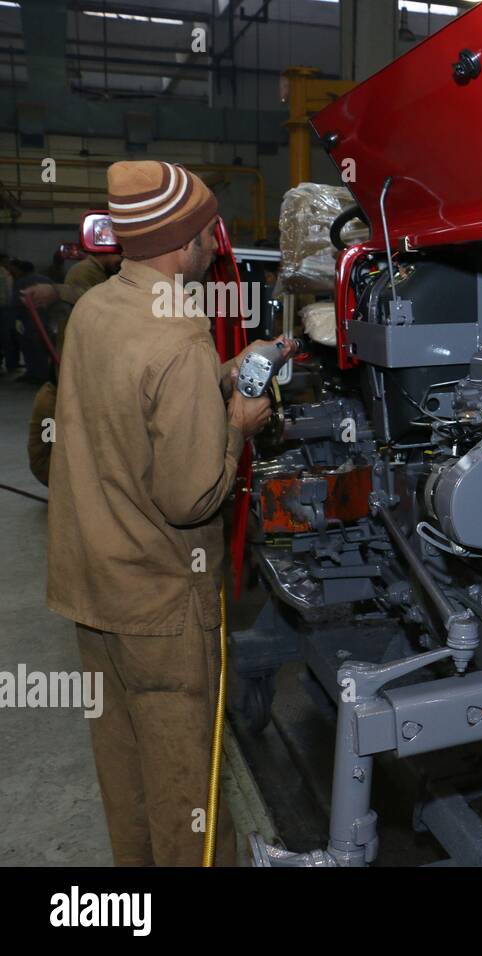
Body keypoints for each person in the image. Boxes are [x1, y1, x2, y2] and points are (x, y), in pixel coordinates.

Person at [46, 160, 278, 866]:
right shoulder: (178, 336)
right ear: (183, 244)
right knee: (190, 800)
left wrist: (220, 375)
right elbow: (191, 496)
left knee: (129, 782)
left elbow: (128, 401)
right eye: (210, 230)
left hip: (92, 585)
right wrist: (239, 421)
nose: (216, 241)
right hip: (159, 605)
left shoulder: (96, 308)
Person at [23, 252, 121, 486]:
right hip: (65, 386)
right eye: (119, 252)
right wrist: (58, 292)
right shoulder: (85, 272)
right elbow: (97, 302)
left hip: (80, 384)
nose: (123, 258)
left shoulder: (109, 274)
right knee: (55, 444)